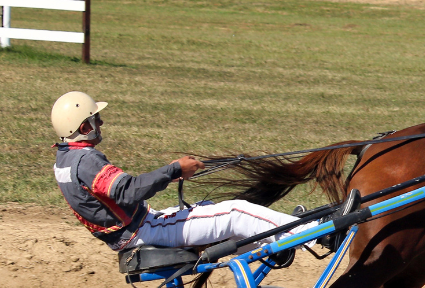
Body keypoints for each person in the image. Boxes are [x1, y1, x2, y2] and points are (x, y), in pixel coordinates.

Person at [50, 91, 315, 253]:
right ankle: (313, 234)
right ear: (85, 128)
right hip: (143, 230)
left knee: (215, 213)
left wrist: (170, 175)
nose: (102, 121)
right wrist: (174, 168)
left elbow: (113, 194)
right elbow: (128, 191)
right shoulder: (86, 160)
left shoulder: (64, 161)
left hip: (130, 232)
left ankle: (283, 239)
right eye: (96, 118)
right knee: (235, 213)